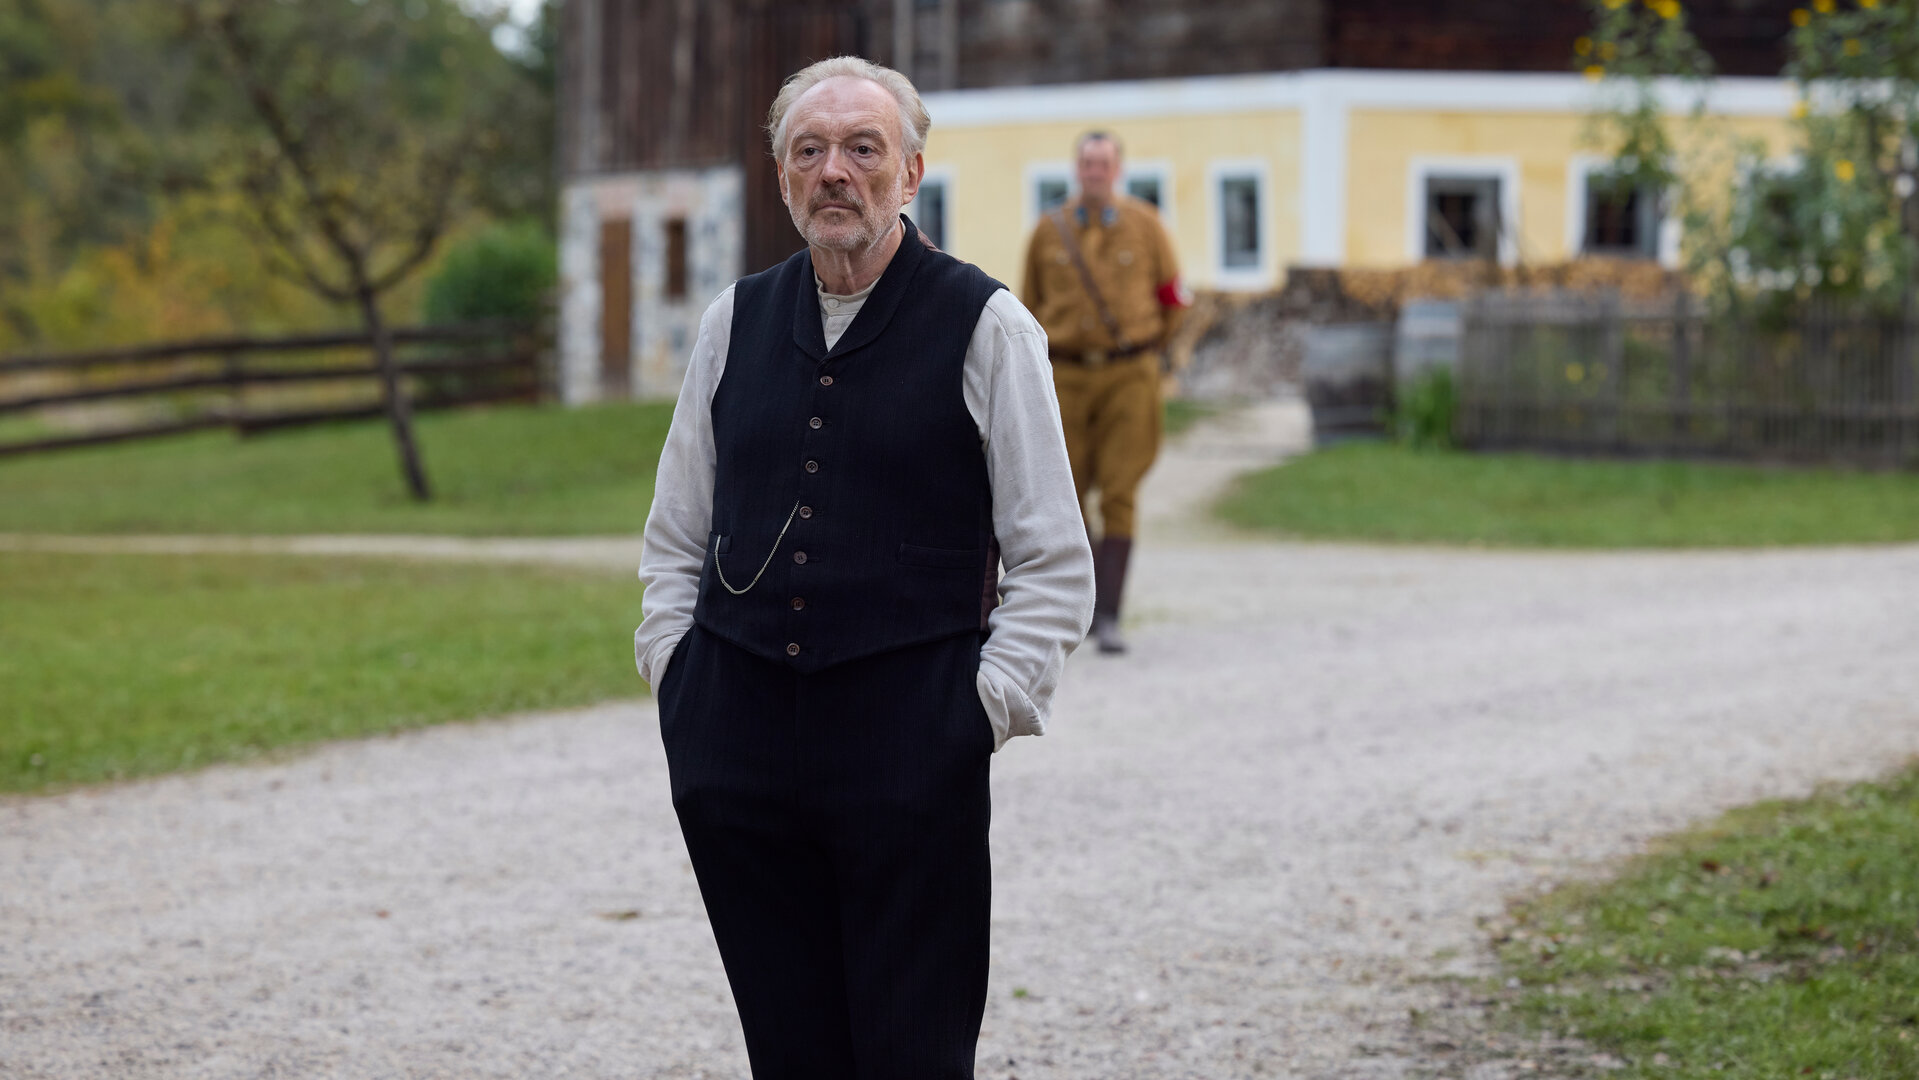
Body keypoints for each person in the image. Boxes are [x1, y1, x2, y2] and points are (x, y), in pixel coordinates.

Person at [634, 56, 1094, 1079]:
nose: (833, 171)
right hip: (736, 746)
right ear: (782, 177)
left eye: (861, 149)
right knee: (788, 1053)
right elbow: (674, 538)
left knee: (911, 1053)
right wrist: (683, 687)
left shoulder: (987, 325)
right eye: (809, 151)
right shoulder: (732, 322)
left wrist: (975, 713)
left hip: (909, 748)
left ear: (910, 171)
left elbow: (1052, 562)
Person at [1020, 131, 1189, 655]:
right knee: (1066, 494)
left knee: (1120, 490)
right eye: (1087, 164)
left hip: (1128, 376)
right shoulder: (1049, 233)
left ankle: (1111, 614)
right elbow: (1027, 309)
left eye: (1104, 164)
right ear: (1077, 169)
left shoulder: (1146, 225)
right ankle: (1084, 608)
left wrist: (1154, 355)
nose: (1095, 172)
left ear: (1118, 170)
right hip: (1066, 377)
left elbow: (1173, 299)